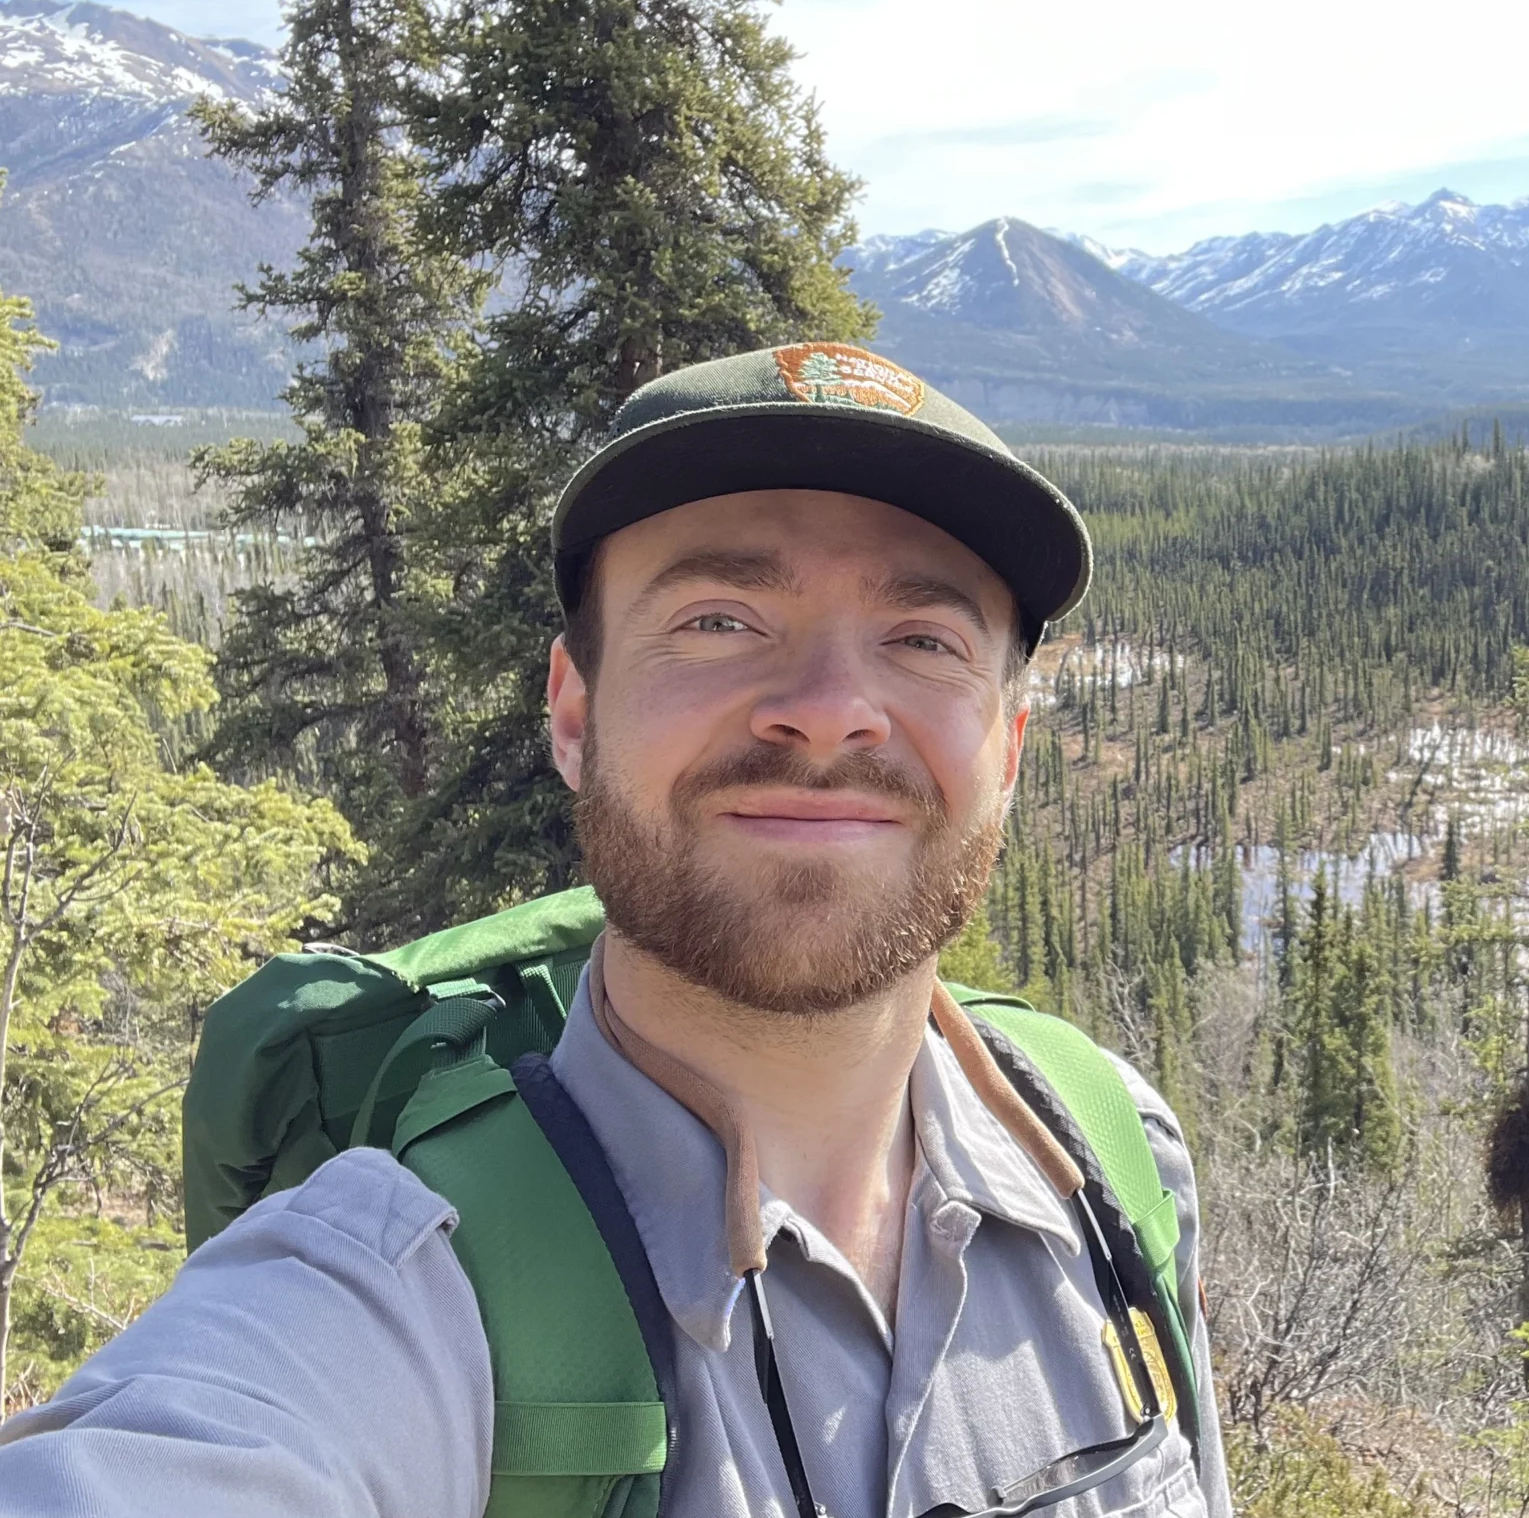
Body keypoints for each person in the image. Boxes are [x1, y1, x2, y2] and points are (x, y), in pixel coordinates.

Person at [0, 342, 1231, 1518]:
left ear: (1007, 752)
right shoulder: (387, 1295)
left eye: (924, 640)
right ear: (574, 715)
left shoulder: (1114, 1164)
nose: (829, 713)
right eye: (718, 621)